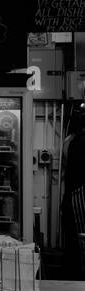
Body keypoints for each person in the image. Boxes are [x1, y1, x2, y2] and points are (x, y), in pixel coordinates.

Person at [59, 106, 85, 278]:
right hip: (79, 197)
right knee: (80, 242)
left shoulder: (69, 140)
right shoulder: (80, 141)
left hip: (71, 196)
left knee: (74, 244)